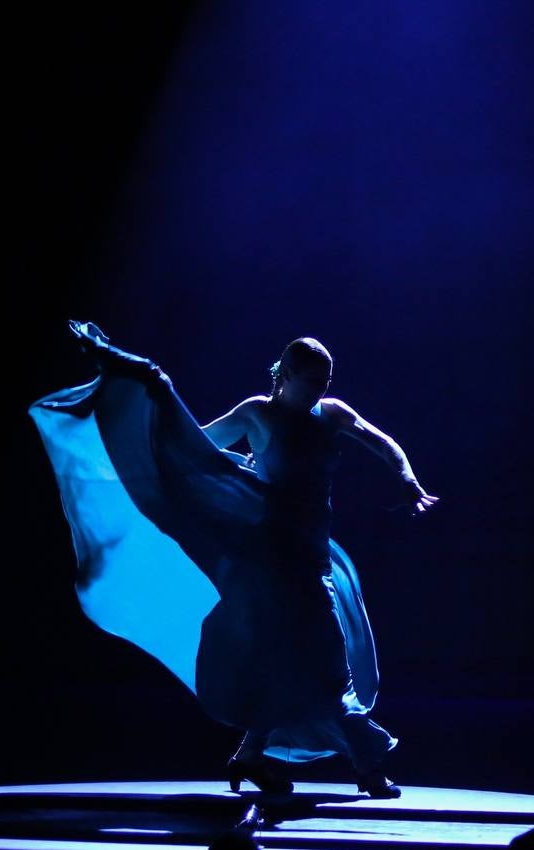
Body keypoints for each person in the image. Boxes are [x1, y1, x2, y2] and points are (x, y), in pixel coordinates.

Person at [29, 321, 436, 799]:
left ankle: (249, 757)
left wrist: (408, 479)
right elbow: (197, 444)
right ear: (285, 374)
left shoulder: (331, 415)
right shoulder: (257, 414)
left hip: (310, 556)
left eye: (326, 382)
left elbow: (382, 441)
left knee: (287, 661)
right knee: (328, 665)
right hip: (272, 560)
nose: (320, 391)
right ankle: (368, 767)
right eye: (312, 381)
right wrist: (234, 468)